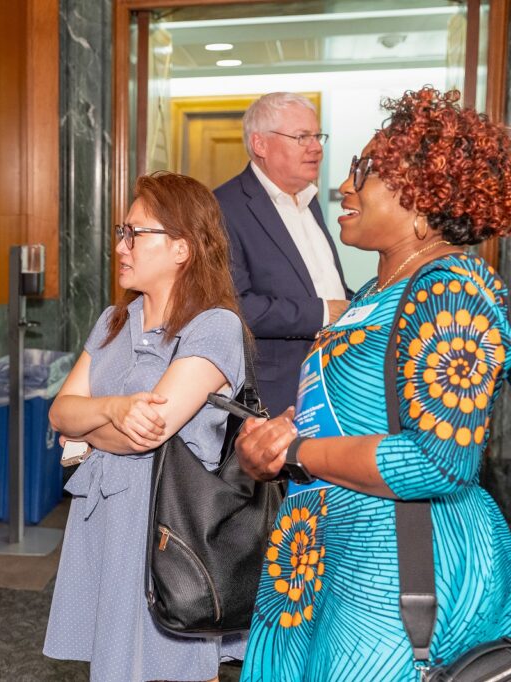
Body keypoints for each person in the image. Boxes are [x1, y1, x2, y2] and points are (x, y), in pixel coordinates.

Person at [235, 86, 511, 681]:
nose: (343, 186)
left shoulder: (452, 289)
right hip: (328, 549)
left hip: (395, 566)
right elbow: (360, 411)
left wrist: (299, 451)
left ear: (421, 196)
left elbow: (438, 462)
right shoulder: (375, 293)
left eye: (364, 172)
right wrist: (280, 437)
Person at [44, 171, 247, 681]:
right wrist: (112, 410)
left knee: (168, 667)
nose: (122, 246)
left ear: (182, 248)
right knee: (112, 665)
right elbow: (58, 411)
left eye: (137, 233)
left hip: (167, 528)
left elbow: (150, 431)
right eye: (121, 231)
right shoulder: (114, 319)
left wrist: (86, 428)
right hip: (105, 522)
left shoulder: (213, 326)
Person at [214, 92, 351, 416]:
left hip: (333, 384)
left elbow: (320, 284)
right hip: (274, 398)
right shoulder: (224, 206)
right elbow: (233, 306)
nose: (316, 147)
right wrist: (322, 313)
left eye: (317, 136)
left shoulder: (308, 200)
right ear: (260, 144)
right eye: (302, 137)